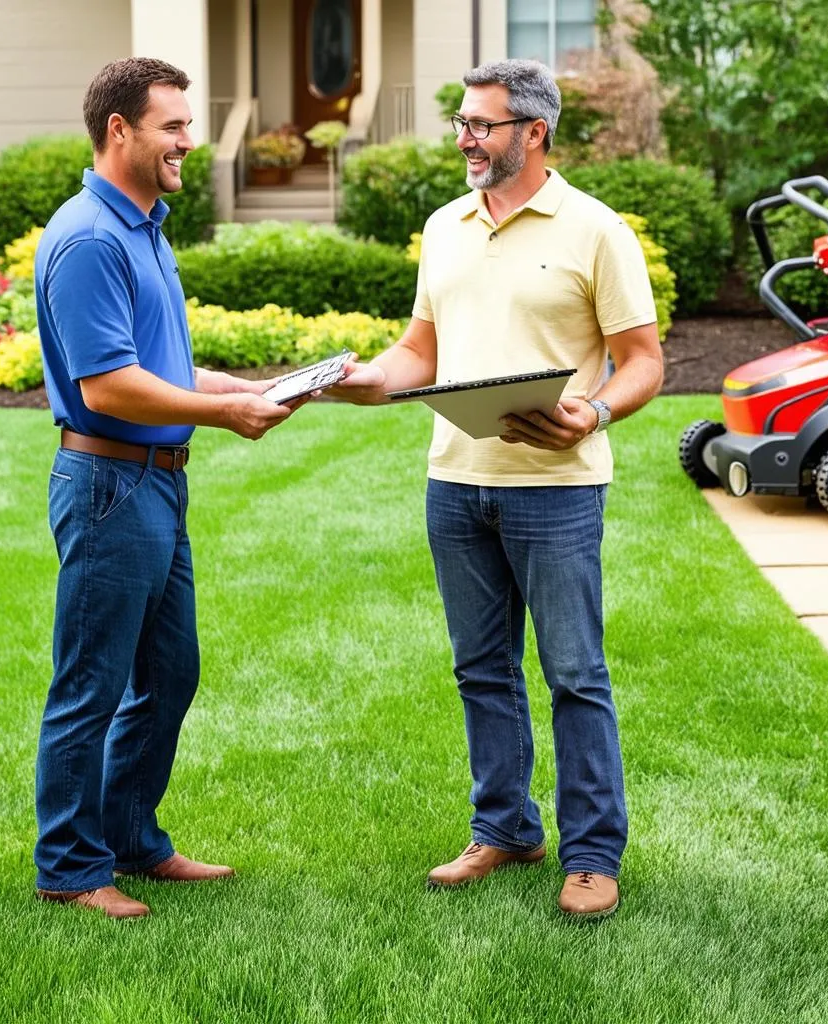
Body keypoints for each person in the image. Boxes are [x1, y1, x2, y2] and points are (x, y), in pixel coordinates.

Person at [332, 59, 663, 918]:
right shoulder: (445, 227)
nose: (466, 140)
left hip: (556, 491)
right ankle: (506, 829)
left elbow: (645, 364)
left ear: (535, 133)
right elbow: (422, 351)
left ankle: (592, 854)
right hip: (456, 482)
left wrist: (590, 413)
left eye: (482, 125)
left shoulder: (596, 231)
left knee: (575, 673)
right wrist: (359, 379)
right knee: (482, 670)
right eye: (462, 125)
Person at [33, 58, 311, 919]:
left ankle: (132, 841)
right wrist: (227, 419)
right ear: (120, 130)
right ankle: (70, 867)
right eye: (173, 126)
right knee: (92, 682)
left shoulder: (143, 228)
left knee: (169, 671)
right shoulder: (88, 238)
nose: (190, 140)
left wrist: (233, 389)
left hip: (156, 485)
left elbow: (160, 365)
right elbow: (111, 385)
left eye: (189, 125)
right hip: (110, 484)